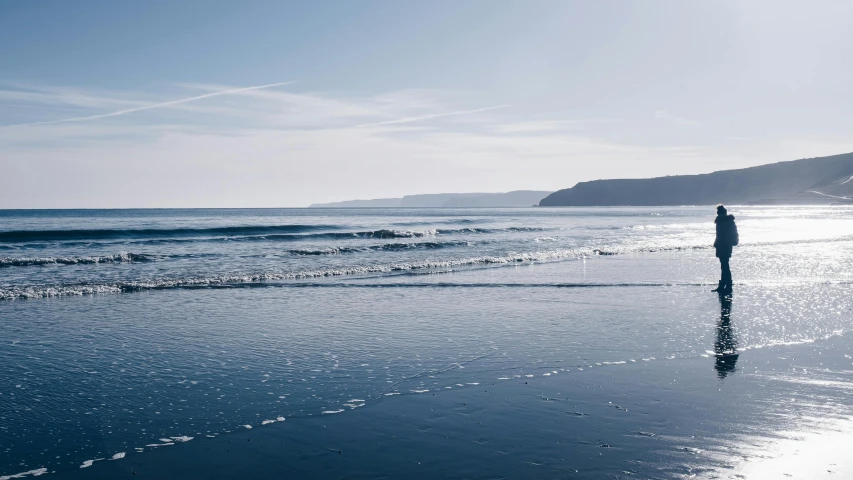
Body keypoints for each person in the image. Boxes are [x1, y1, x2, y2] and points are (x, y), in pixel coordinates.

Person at [712, 204, 738, 294]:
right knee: (724, 265)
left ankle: (727, 286)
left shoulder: (722, 221)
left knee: (725, 266)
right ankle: (724, 285)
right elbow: (734, 233)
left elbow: (732, 233)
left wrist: (733, 241)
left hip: (724, 245)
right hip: (724, 245)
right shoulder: (726, 221)